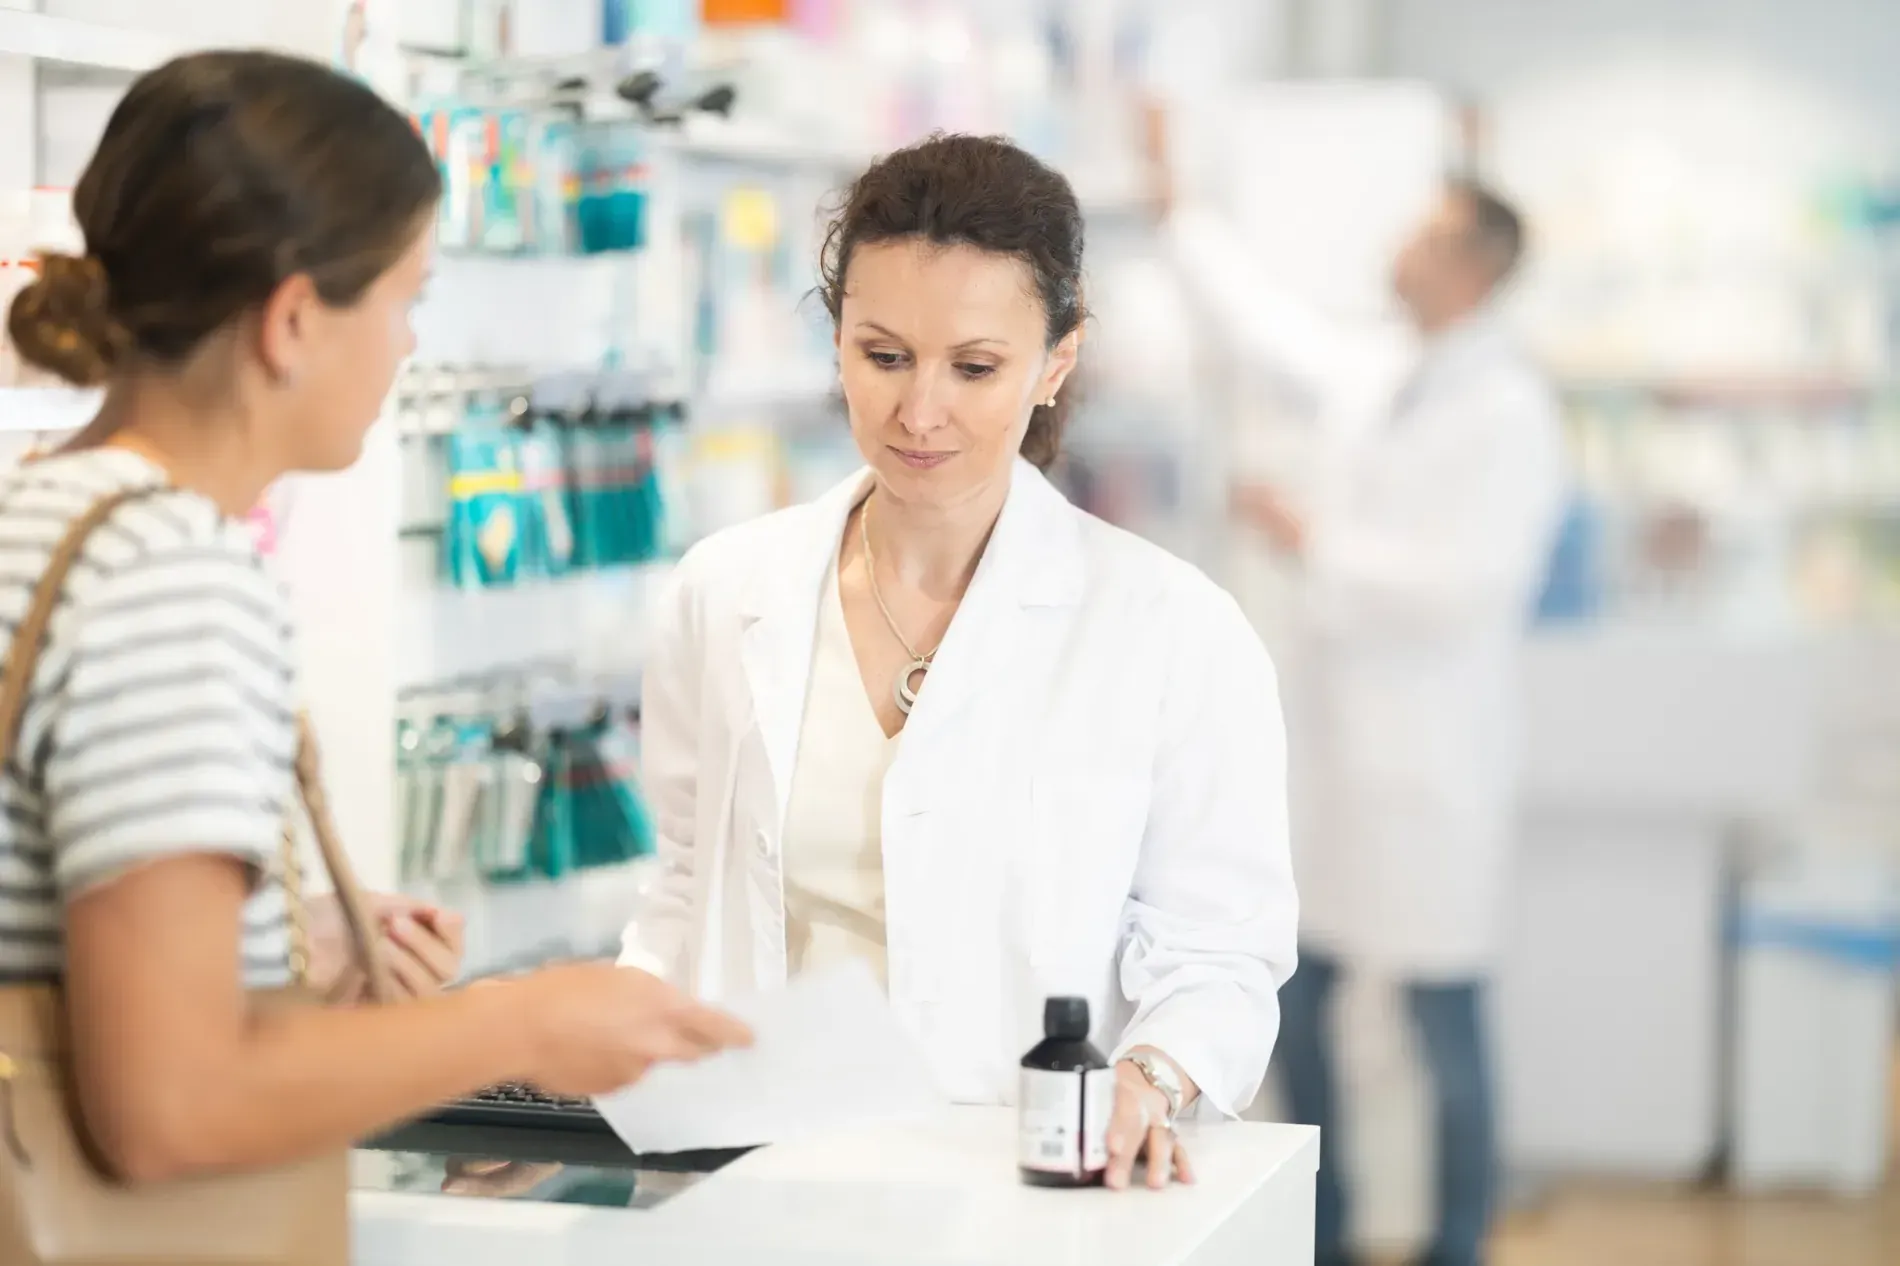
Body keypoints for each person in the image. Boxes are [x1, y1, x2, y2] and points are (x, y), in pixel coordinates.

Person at [0, 49, 747, 1185]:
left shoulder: (44, 516)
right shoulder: (172, 578)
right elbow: (169, 1110)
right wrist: (522, 1028)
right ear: (295, 319)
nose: (407, 346)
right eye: (406, 299)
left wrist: (301, 937)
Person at [616, 134, 1299, 1191]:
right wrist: (591, 1104)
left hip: (1028, 1190)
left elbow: (1220, 954)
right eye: (881, 356)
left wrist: (1149, 1078)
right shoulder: (726, 591)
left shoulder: (1175, 631)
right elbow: (683, 893)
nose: (918, 411)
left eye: (974, 367)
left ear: (1054, 362)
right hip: (757, 1179)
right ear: (835, 339)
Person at [1171, 176, 1567, 1264]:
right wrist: (1181, 207)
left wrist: (1312, 542)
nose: (1400, 243)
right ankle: (1325, 1229)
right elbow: (1265, 332)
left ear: (1476, 266)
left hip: (1434, 762)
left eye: (1429, 232)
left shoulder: (1509, 409)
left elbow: (1473, 586)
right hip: (1339, 757)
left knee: (1446, 1026)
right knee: (1297, 1010)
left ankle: (1456, 1242)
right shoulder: (1386, 369)